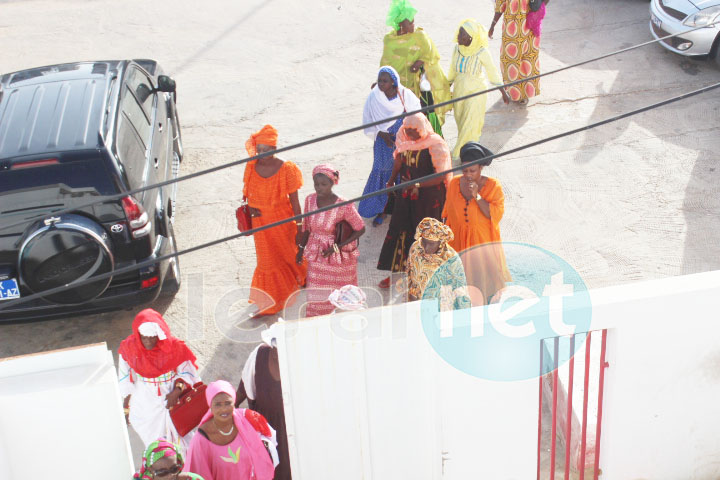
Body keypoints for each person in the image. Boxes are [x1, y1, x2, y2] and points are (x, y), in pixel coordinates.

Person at [377, 113, 451, 288]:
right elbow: (399, 160)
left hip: (428, 198)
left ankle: (425, 276)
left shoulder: (436, 145)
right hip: (406, 195)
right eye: (407, 130)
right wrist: (391, 180)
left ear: (423, 129)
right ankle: (398, 274)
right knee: (399, 231)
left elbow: (440, 177)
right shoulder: (403, 137)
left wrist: (416, 183)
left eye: (414, 132)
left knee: (425, 236)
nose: (410, 135)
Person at [243, 125, 307, 317]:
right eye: (260, 150)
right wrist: (251, 208)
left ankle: (302, 276)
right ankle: (270, 302)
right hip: (260, 224)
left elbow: (294, 201)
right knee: (267, 261)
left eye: (268, 150)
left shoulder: (287, 168)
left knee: (288, 253)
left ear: (275, 149)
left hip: (282, 222)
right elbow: (247, 192)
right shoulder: (251, 166)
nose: (262, 154)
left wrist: (299, 227)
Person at [118, 309, 201, 453]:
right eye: (144, 338)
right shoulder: (129, 348)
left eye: (152, 337)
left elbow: (187, 372)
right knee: (152, 439)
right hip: (145, 399)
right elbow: (125, 377)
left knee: (179, 435)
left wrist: (176, 391)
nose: (148, 341)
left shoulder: (175, 347)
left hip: (170, 396)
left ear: (159, 335)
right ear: (138, 336)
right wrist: (126, 407)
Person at [441, 142, 511, 305]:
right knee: (460, 278)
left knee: (483, 278)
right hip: (458, 240)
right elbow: (447, 211)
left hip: (481, 241)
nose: (468, 175)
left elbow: (494, 214)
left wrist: (477, 196)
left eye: (472, 170)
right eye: (464, 170)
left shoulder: (493, 186)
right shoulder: (454, 183)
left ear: (481, 168)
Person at [296, 164, 366, 317]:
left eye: (323, 184)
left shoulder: (344, 204)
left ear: (332, 183)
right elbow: (307, 227)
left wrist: (337, 247)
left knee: (341, 294)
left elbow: (360, 228)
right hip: (317, 255)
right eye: (316, 184)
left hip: (339, 259)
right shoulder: (309, 200)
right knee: (316, 293)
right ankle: (317, 321)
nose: (319, 188)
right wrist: (300, 249)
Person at [359, 66, 421, 225]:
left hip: (404, 140)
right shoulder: (374, 97)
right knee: (383, 173)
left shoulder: (405, 95)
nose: (381, 83)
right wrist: (382, 134)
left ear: (393, 82)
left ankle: (401, 210)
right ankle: (382, 210)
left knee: (403, 172)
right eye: (379, 80)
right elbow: (368, 121)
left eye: (385, 81)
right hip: (383, 143)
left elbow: (417, 115)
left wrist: (406, 133)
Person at [381, 0, 451, 135]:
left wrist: (419, 62)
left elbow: (432, 54)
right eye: (410, 22)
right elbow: (385, 65)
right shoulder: (389, 41)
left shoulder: (419, 37)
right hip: (397, 91)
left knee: (422, 123)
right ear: (401, 24)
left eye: (414, 21)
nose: (413, 24)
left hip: (418, 90)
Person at [184, 380, 278, 480]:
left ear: (234, 402)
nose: (224, 409)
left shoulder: (248, 421)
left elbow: (270, 445)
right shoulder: (201, 439)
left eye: (228, 403)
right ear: (210, 406)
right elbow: (196, 475)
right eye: (218, 404)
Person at [235, 323, 291, 480]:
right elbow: (244, 387)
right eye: (276, 351)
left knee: (287, 468)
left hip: (289, 428)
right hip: (262, 425)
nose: (279, 355)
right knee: (263, 466)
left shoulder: (298, 362)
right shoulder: (259, 355)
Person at [448, 19, 509, 160]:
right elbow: (452, 69)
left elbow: (492, 71)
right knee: (462, 122)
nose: (458, 36)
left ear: (470, 37)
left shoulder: (481, 51)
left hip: (476, 91)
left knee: (471, 122)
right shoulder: (456, 49)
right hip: (460, 90)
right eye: (459, 32)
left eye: (462, 34)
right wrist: (446, 86)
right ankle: (469, 148)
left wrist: (503, 92)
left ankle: (460, 154)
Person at [489, 0, 549, 105]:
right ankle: (514, 91)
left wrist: (539, 6)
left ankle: (524, 93)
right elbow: (500, 5)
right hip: (513, 30)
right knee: (511, 59)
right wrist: (493, 24)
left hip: (529, 26)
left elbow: (500, 6)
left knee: (527, 58)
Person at [405, 218, 471, 311]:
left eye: (431, 244)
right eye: (424, 241)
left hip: (442, 308)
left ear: (441, 243)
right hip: (418, 303)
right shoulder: (416, 248)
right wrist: (410, 296)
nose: (426, 247)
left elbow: (460, 289)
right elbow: (409, 273)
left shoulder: (451, 258)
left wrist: (464, 315)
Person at [134, 439, 205, 480]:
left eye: (174, 469)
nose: (170, 476)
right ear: (150, 470)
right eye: (162, 472)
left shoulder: (192, 478)